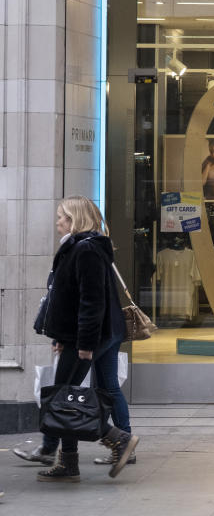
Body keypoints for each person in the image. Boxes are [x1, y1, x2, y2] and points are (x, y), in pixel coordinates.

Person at [15, 196, 139, 481]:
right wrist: (60, 336)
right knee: (79, 393)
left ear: (73, 219)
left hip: (86, 337)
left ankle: (114, 441)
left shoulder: (85, 250)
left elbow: (90, 302)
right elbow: (70, 298)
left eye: (61, 216)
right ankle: (68, 460)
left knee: (62, 399)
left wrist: (84, 344)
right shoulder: (85, 247)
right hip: (95, 334)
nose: (57, 222)